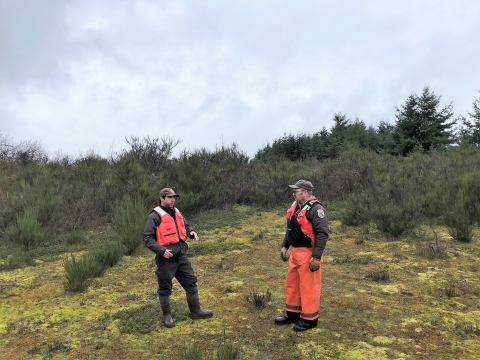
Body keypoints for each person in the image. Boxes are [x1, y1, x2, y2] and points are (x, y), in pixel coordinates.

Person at [143, 187, 213, 328]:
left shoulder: (177, 212)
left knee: (190, 282)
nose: (172, 199)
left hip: (181, 255)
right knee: (165, 287)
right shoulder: (154, 216)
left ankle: (196, 311)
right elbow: (147, 238)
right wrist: (161, 251)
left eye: (173, 197)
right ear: (162, 199)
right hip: (166, 258)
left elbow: (185, 226)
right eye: (169, 197)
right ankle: (167, 316)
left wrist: (191, 232)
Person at [275, 180, 328, 332]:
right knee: (292, 285)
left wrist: (316, 257)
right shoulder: (296, 207)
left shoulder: (316, 210)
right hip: (295, 254)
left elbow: (322, 234)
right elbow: (291, 228)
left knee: (308, 287)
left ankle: (309, 319)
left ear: (305, 193)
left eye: (296, 191)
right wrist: (285, 246)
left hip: (309, 255)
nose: (293, 193)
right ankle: (292, 313)